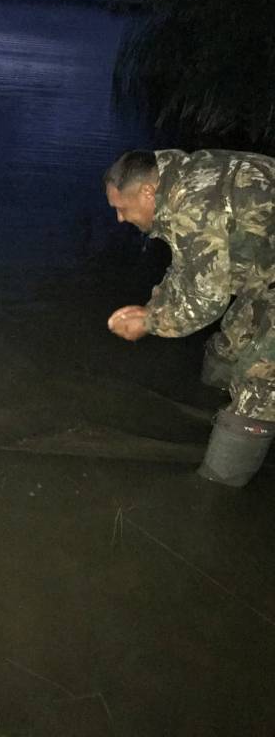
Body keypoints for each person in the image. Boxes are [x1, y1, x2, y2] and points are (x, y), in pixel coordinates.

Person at [104, 148, 275, 487]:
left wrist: (149, 323)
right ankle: (206, 416)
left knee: (259, 385)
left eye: (122, 208)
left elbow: (205, 302)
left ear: (147, 192)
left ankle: (214, 489)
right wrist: (154, 306)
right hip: (266, 274)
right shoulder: (176, 178)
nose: (120, 219)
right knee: (227, 348)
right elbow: (189, 264)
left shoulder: (194, 204)